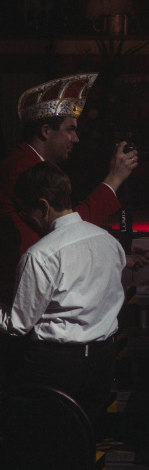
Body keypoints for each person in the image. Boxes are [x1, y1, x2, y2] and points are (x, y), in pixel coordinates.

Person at [0, 162, 128, 470]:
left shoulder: (41, 254)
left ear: (42, 206)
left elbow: (18, 324)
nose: (27, 222)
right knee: (79, 457)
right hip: (101, 362)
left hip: (54, 366)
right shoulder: (108, 242)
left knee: (33, 458)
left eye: (27, 214)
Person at [0, 73, 137, 302]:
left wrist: (116, 245)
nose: (76, 139)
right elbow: (66, 226)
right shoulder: (23, 166)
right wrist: (115, 177)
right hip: (22, 285)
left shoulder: (28, 161)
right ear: (46, 131)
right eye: (70, 129)